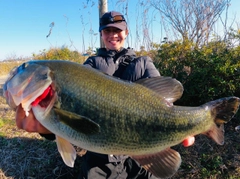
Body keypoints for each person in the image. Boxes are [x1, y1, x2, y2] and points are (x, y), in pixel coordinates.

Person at [15, 11, 195, 178]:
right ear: (101, 34)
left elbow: (163, 100)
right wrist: (48, 128)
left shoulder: (143, 63)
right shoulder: (90, 65)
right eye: (107, 30)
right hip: (100, 159)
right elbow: (73, 110)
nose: (112, 35)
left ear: (126, 32)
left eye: (117, 30)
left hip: (141, 156)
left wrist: (185, 123)